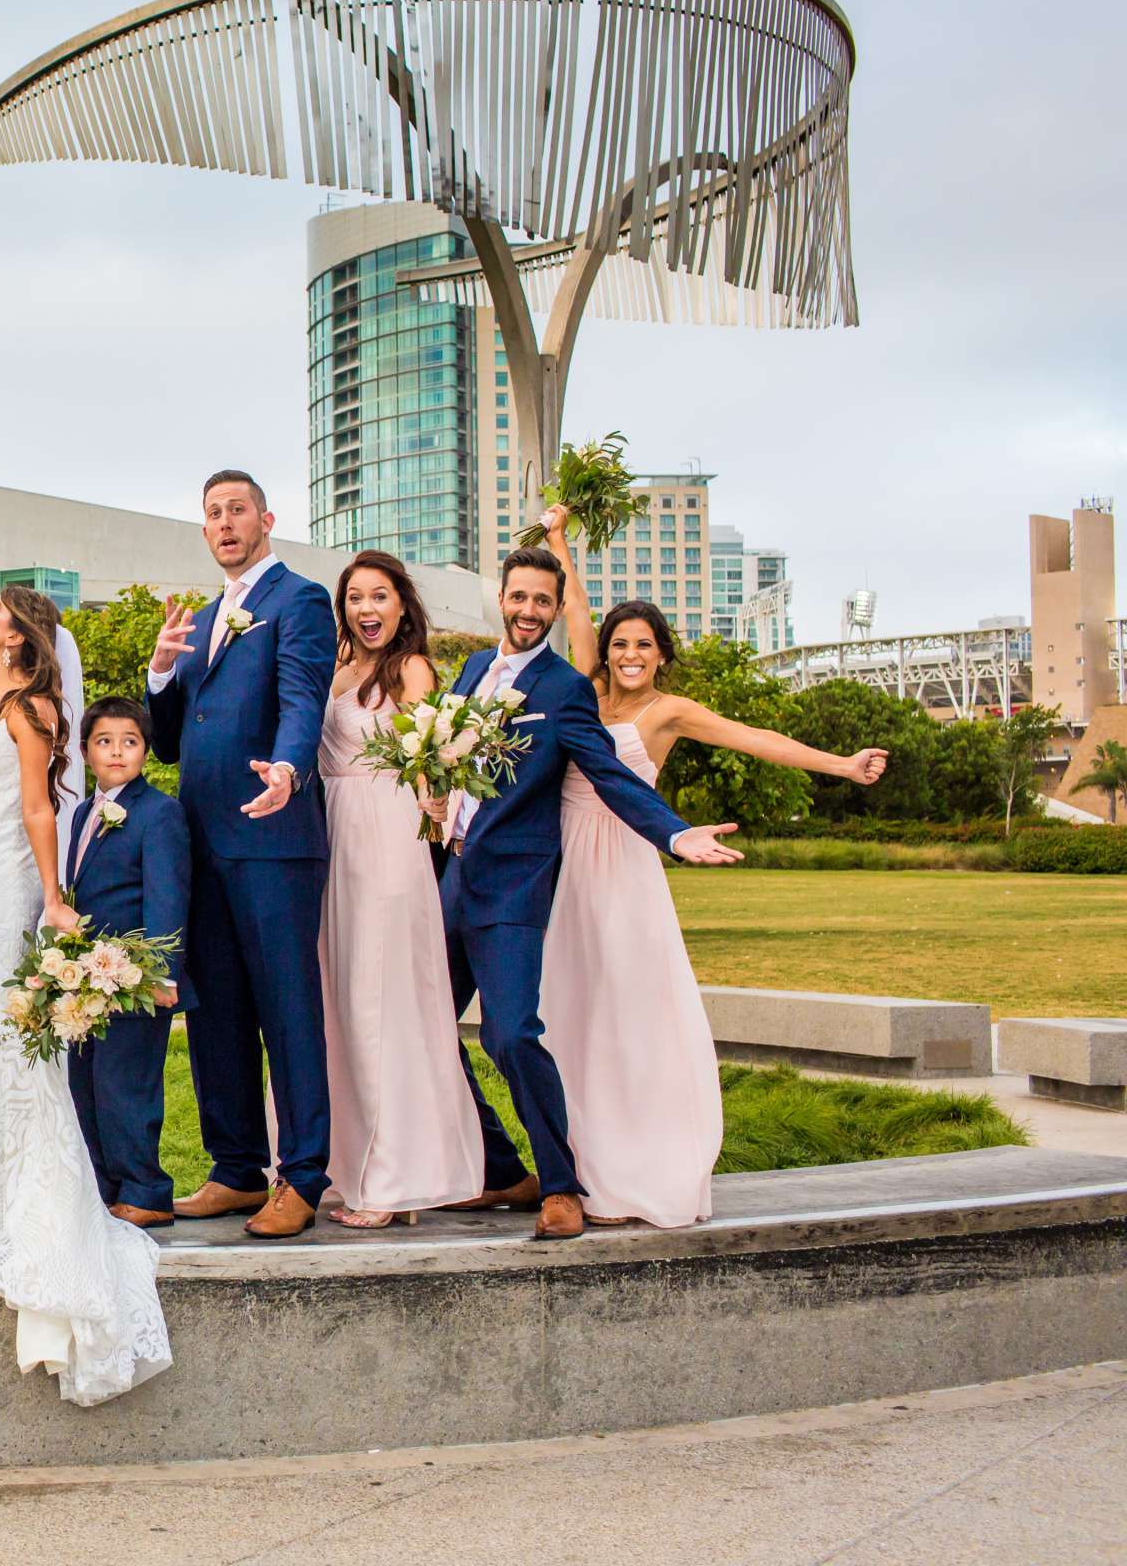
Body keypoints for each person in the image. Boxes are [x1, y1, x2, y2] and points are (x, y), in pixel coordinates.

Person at [537, 510, 888, 1226]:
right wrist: (558, 540)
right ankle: (578, 1166)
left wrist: (842, 767)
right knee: (568, 1011)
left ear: (662, 654)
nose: (630, 653)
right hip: (562, 862)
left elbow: (756, 738)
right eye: (620, 643)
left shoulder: (670, 711)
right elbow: (574, 602)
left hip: (627, 862)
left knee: (628, 1010)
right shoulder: (581, 690)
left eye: (644, 644)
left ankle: (645, 1162)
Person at [434, 546, 743, 1241]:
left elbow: (609, 774)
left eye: (543, 601)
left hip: (515, 882)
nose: (528, 611)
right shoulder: (473, 671)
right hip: (451, 874)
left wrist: (673, 834)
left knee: (511, 1035)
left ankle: (562, 1184)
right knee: (423, 1026)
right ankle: (496, 1167)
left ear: (553, 606)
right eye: (518, 598)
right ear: (502, 599)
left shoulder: (565, 689)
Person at [0, 586, 172, 1407]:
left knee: (3, 1014)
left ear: (20, 637)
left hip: (11, 875)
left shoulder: (29, 708)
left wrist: (54, 895)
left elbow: (36, 806)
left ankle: (17, 1184)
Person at [145, 469, 338, 1238]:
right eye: (213, 514)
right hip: (203, 841)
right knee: (216, 1008)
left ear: (266, 519)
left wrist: (290, 769)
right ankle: (235, 1170)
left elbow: (302, 698)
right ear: (204, 531)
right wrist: (162, 670)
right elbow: (166, 740)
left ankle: (304, 1176)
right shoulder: (198, 618)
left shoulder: (300, 601)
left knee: (287, 1010)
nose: (225, 523)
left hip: (273, 838)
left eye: (237, 510)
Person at [315, 551, 486, 1227]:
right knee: (341, 1002)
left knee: (381, 1004)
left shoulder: (410, 668)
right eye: (356, 598)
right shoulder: (334, 670)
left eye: (379, 597)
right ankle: (347, 1163)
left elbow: (430, 755)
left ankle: (392, 1180)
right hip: (332, 837)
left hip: (386, 837)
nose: (367, 610)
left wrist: (437, 800)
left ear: (401, 604)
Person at [63, 697, 191, 1228]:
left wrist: (161, 971)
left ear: (146, 751)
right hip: (88, 976)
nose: (118, 751)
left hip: (137, 977)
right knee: (86, 1084)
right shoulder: (79, 814)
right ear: (86, 751)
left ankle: (146, 1188)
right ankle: (104, 1184)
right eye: (105, 741)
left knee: (128, 1086)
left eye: (130, 742)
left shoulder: (159, 812)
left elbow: (168, 895)